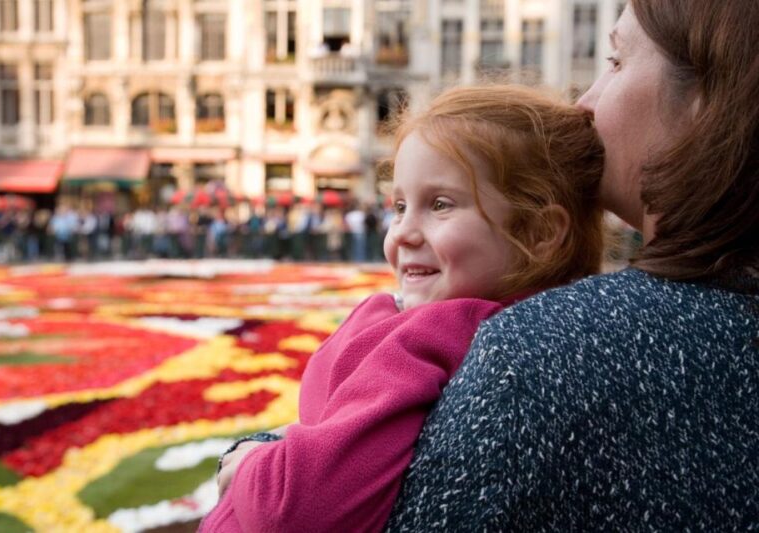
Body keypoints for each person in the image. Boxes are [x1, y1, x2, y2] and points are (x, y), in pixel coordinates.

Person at [383, 2, 759, 530]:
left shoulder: (539, 352)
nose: (584, 102)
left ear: (707, 102)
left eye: (616, 61)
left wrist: (266, 455)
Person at [199, 84, 605, 532]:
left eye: (440, 205)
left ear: (539, 232)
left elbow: (295, 507)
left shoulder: (432, 335)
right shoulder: (551, 327)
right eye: (399, 206)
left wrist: (252, 457)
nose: (403, 234)